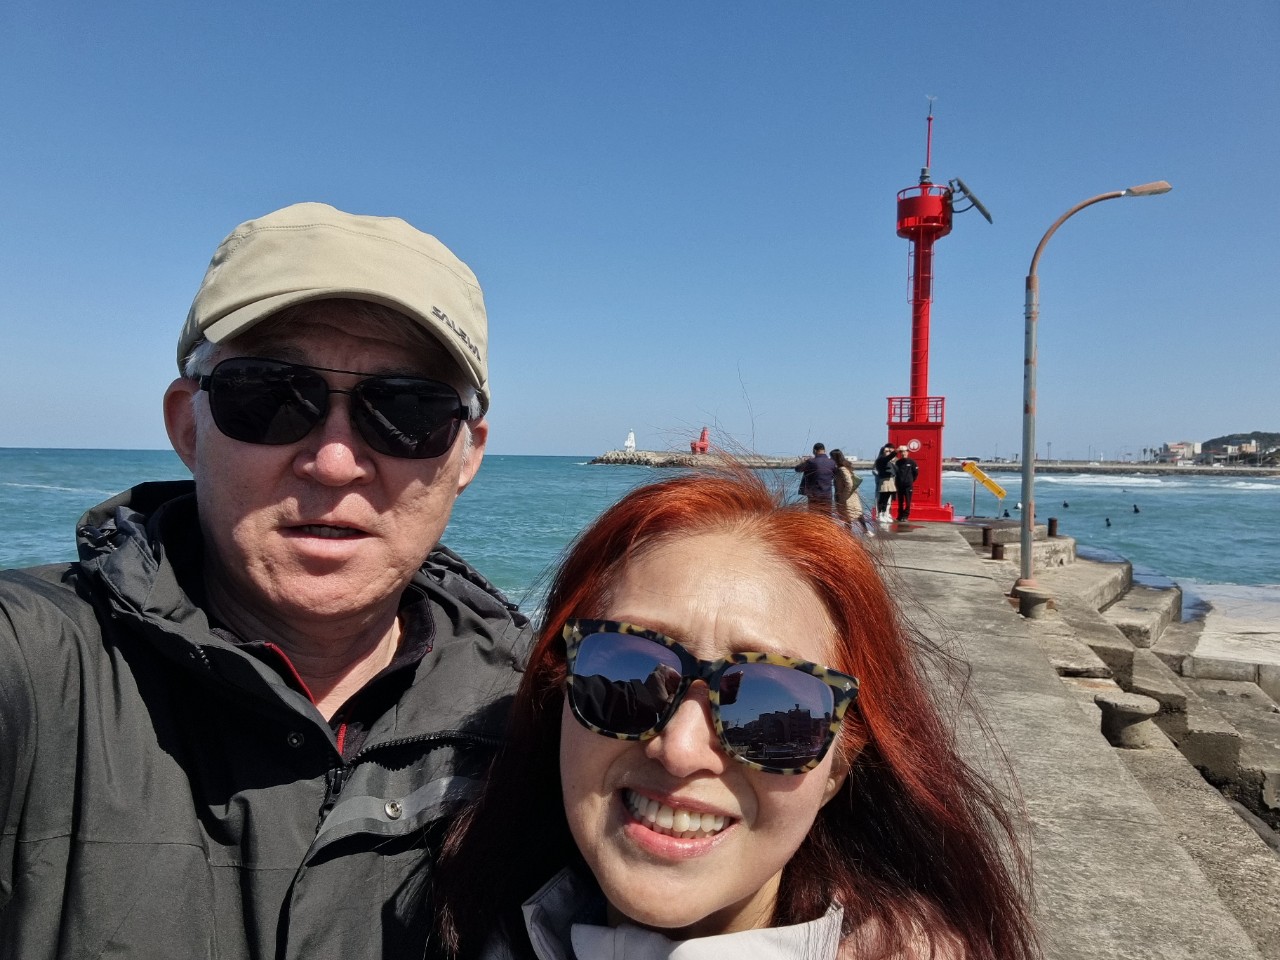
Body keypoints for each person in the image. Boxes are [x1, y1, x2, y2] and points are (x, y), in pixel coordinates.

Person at [0, 202, 532, 959]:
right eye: (271, 396)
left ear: (467, 455)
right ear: (189, 426)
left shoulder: (542, 719)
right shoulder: (35, 666)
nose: (335, 462)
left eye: (408, 410)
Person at [435, 471, 1038, 960]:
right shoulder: (459, 918)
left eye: (770, 708)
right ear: (561, 694)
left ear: (838, 766)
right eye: (626, 678)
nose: (681, 749)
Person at [793, 442, 836, 513]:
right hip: (827, 494)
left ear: (814, 451)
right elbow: (834, 475)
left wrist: (803, 462)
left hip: (814, 495)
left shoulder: (811, 461)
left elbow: (797, 469)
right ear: (825, 450)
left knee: (814, 516)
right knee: (827, 516)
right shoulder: (832, 462)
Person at [830, 448, 865, 531]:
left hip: (846, 497)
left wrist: (843, 497)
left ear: (835, 458)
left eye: (831, 457)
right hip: (851, 495)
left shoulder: (842, 469)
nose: (830, 459)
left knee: (847, 516)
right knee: (856, 513)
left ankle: (849, 534)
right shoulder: (846, 466)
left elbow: (849, 483)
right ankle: (865, 530)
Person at [894, 445, 919, 523]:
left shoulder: (912, 462)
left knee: (908, 502)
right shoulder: (898, 462)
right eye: (901, 452)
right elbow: (895, 473)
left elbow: (916, 473)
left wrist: (910, 481)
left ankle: (905, 516)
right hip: (899, 485)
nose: (903, 453)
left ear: (908, 452)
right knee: (900, 502)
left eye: (904, 452)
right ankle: (900, 516)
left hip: (908, 486)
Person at [873, 443, 897, 523]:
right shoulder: (881, 460)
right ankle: (880, 514)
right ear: (882, 452)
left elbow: (896, 470)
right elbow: (888, 458)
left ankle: (885, 514)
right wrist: (896, 451)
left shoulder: (889, 461)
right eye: (886, 451)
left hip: (890, 480)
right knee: (882, 498)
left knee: (887, 498)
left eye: (889, 451)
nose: (888, 452)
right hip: (884, 480)